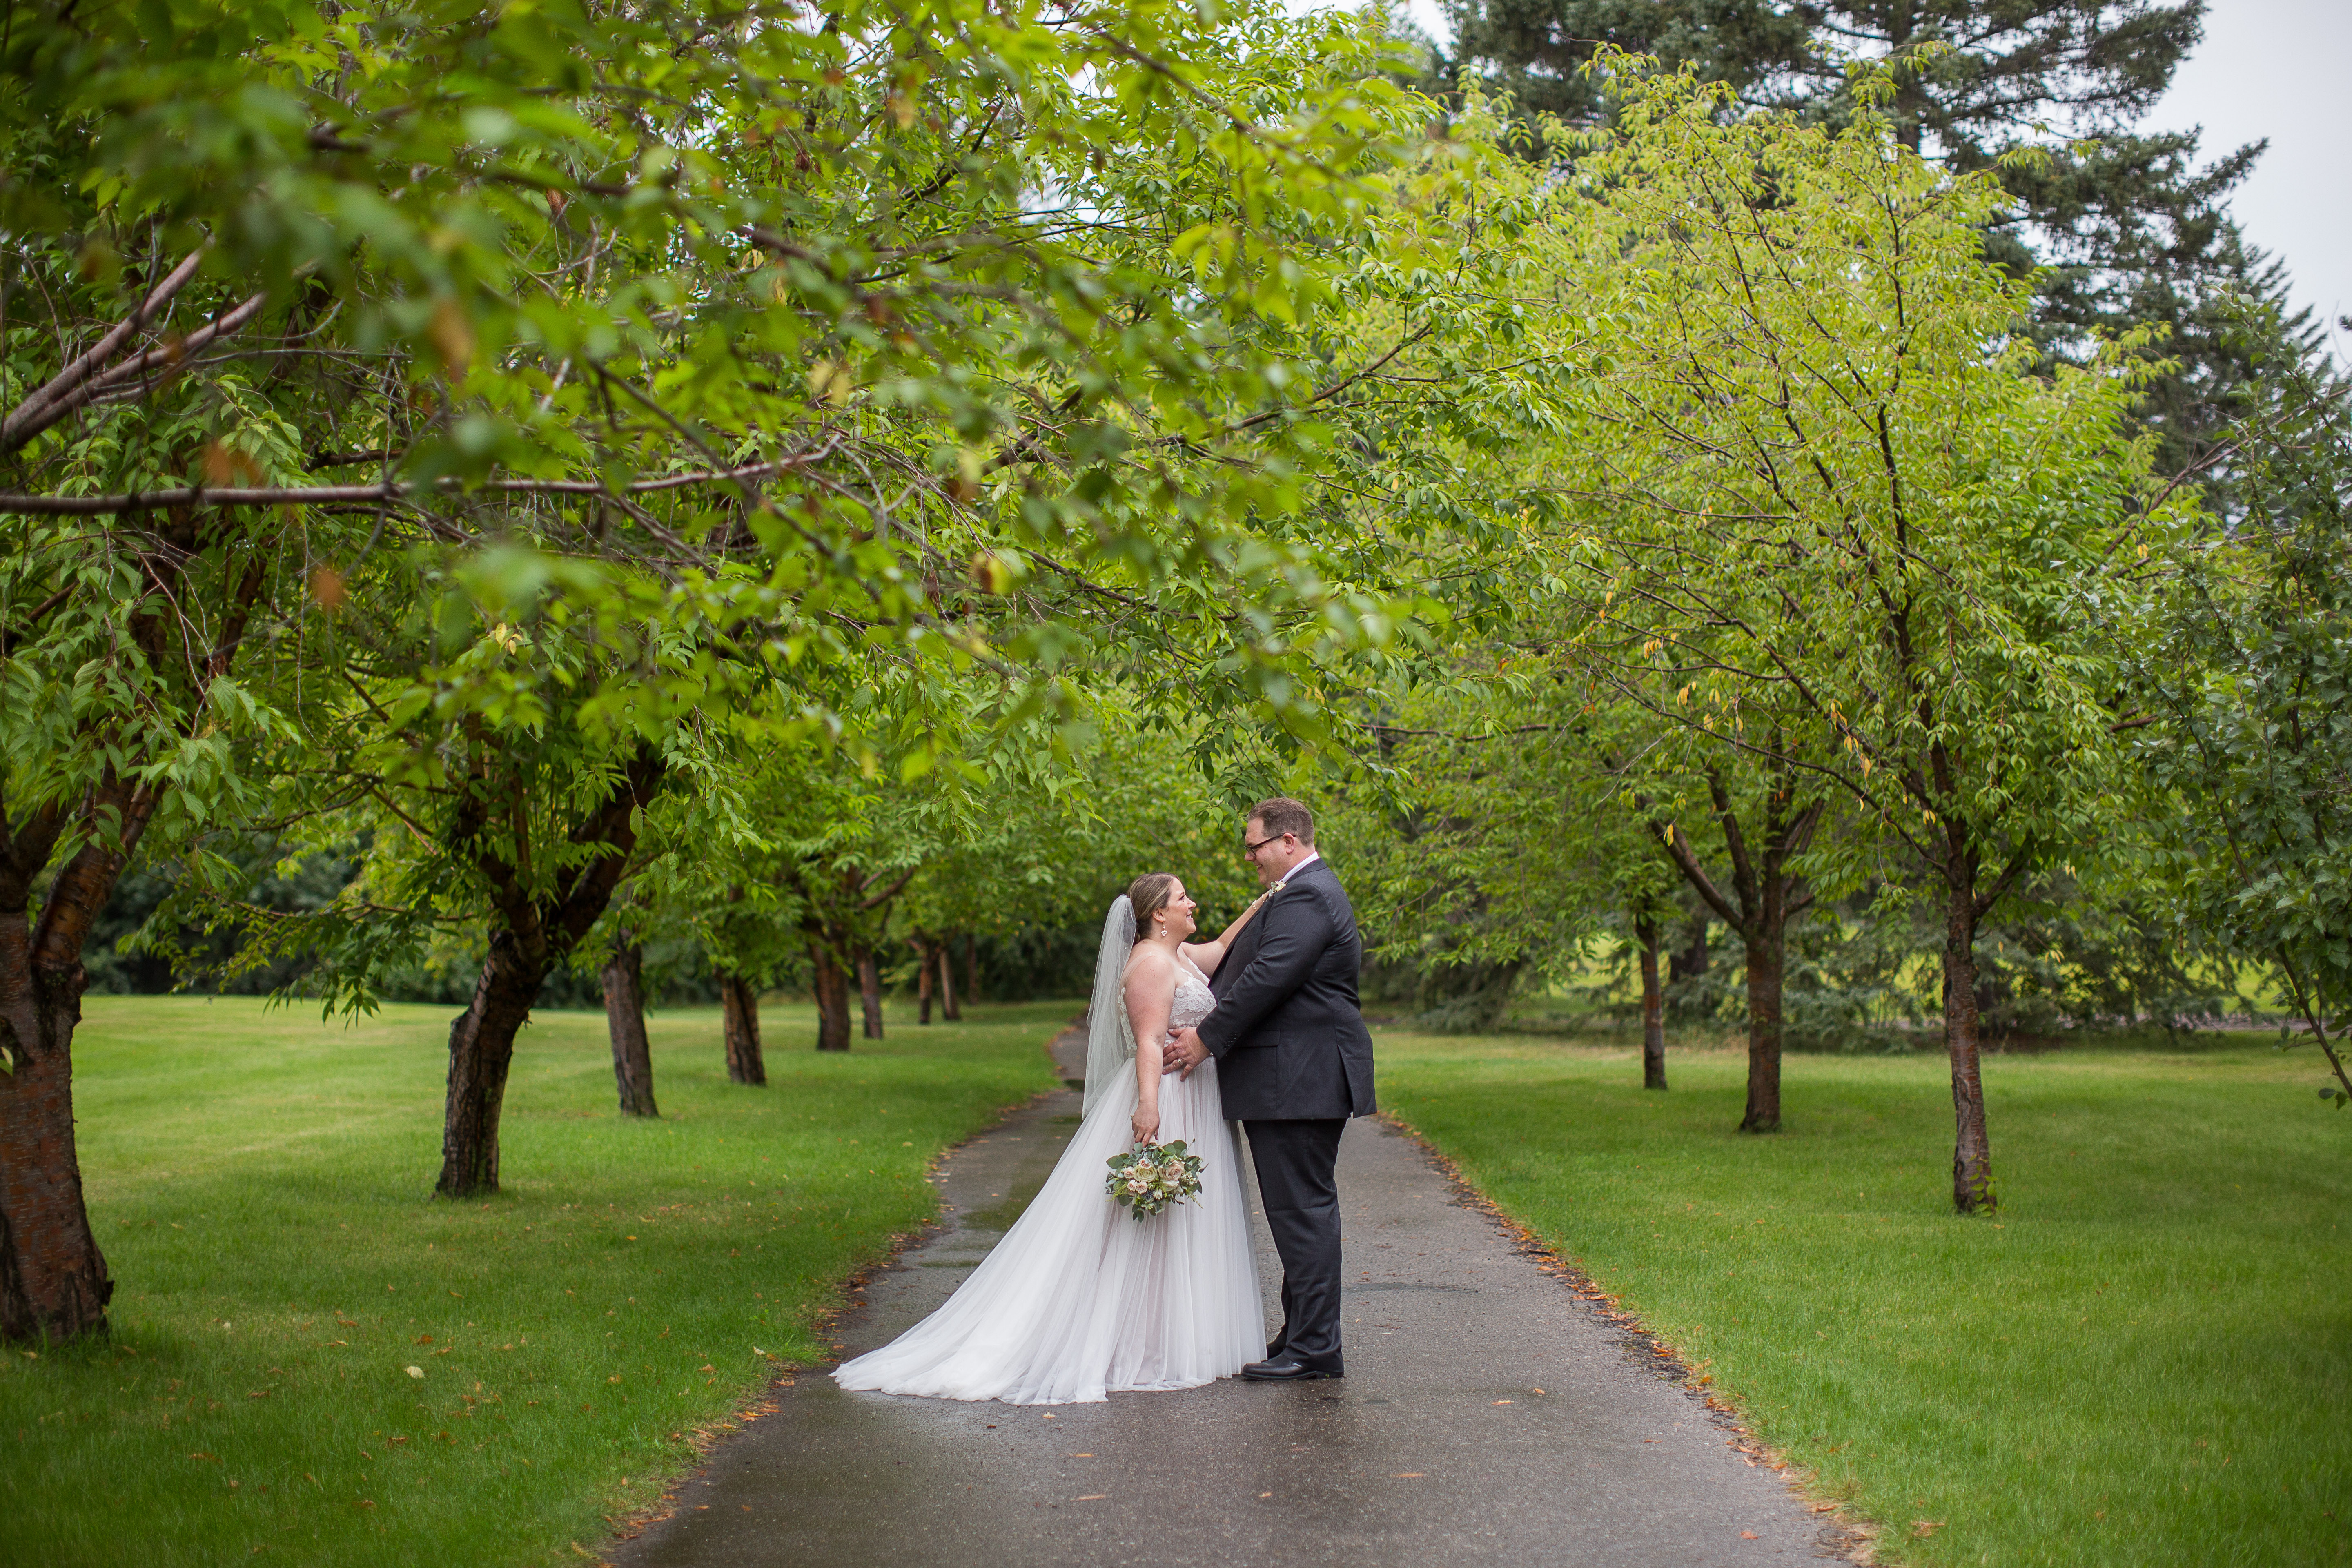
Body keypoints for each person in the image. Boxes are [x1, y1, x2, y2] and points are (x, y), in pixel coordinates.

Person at [832, 872, 1274, 1405]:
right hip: (1171, 1101)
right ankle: (1140, 1344)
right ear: (1160, 913)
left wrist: (1268, 898)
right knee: (1149, 1229)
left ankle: (1171, 1337)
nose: (1193, 903)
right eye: (1183, 898)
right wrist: (1150, 1108)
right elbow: (1150, 1043)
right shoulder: (1151, 965)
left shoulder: (1177, 957)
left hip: (1197, 1098)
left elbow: (1222, 947)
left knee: (1177, 1227)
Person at [1167, 796, 1375, 1381]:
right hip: (1295, 1077)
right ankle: (1303, 1337)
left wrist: (1206, 1038)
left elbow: (1269, 977)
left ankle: (1315, 1350)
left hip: (1301, 1077)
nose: (1250, 856)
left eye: (1255, 845)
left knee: (1302, 1211)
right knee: (1295, 1211)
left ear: (1288, 841)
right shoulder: (1297, 893)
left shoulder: (1310, 894)